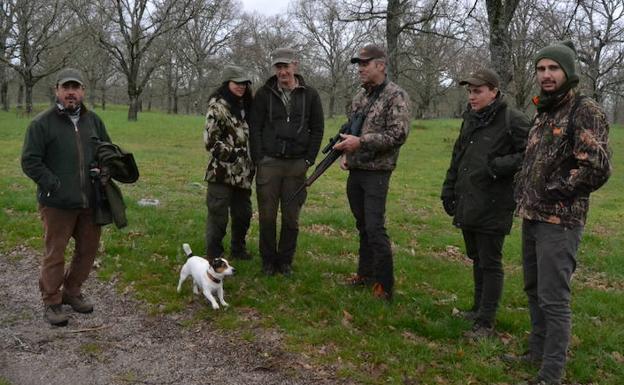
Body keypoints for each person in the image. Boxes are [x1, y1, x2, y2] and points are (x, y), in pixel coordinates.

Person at [511, 41, 611, 385]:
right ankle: (536, 353)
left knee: (554, 297)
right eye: (541, 69)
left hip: (560, 221)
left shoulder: (585, 110)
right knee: (534, 288)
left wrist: (558, 189)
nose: (546, 75)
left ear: (567, 72)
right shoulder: (545, 110)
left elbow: (597, 166)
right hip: (532, 214)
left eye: (553, 68)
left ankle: (551, 373)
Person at [441, 68, 530, 338]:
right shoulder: (471, 117)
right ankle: (477, 310)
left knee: (490, 261)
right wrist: (449, 188)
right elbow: (459, 155)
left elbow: (531, 153)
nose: (472, 96)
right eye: (469, 91)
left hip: (494, 202)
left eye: (477, 91)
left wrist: (497, 167)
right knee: (476, 257)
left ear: (494, 91)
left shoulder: (512, 119)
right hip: (469, 198)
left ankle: (486, 322)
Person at [21, 68, 112, 326]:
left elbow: (107, 152)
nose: (71, 92)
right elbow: (30, 161)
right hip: (57, 203)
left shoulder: (94, 121)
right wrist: (54, 184)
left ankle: (72, 292)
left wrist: (104, 170)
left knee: (87, 251)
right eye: (66, 87)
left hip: (90, 201)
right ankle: (51, 301)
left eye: (76, 87)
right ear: (57, 91)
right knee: (55, 253)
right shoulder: (41, 123)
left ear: (83, 91)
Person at [333, 44, 411, 300]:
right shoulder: (360, 97)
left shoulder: (395, 95)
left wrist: (361, 143)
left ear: (381, 65)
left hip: (377, 172)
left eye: (365, 64)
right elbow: (353, 129)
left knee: (375, 227)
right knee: (363, 226)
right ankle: (364, 275)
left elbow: (398, 134)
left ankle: (385, 285)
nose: (360, 69)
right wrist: (346, 152)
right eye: (359, 64)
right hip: (356, 170)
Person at [249, 47, 324, 276]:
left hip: (296, 165)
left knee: (291, 216)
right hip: (269, 163)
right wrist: (259, 158)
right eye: (278, 67)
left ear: (295, 65)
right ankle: (268, 261)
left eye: (286, 66)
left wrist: (309, 158)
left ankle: (285, 261)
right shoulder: (263, 94)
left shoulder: (310, 95)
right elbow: (255, 128)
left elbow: (317, 128)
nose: (282, 71)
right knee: (268, 215)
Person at [204, 65, 254, 261]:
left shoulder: (247, 106)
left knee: (243, 214)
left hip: (244, 174)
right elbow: (210, 142)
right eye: (237, 83)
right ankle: (214, 254)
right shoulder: (217, 108)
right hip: (221, 173)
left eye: (244, 83)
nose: (241, 87)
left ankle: (238, 249)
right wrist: (234, 155)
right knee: (218, 216)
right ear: (227, 84)